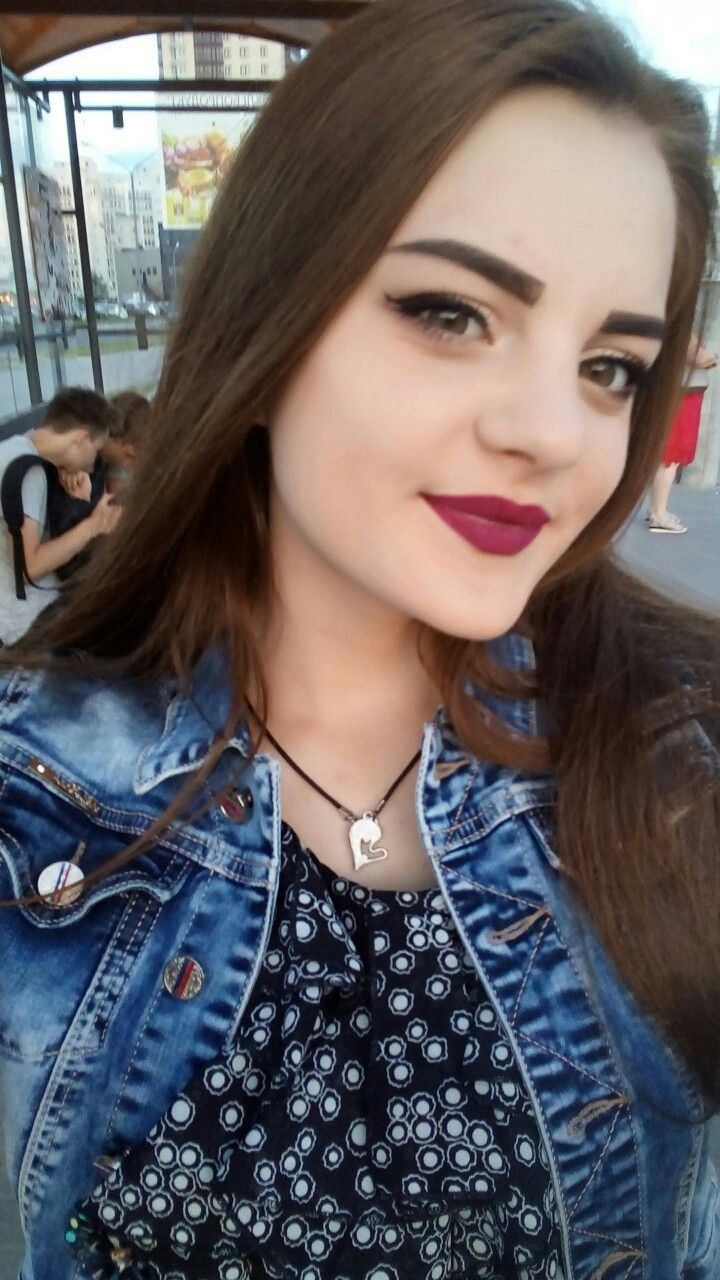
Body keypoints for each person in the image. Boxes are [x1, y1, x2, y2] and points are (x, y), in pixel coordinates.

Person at [0, 2, 719, 1278]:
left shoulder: (679, 743)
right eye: (451, 312)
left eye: (610, 365)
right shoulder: (34, 788)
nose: (554, 432)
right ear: (264, 327)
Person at [0, 385, 121, 644]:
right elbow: (28, 568)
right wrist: (94, 524)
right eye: (96, 450)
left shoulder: (14, 452)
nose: (93, 464)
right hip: (25, 628)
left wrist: (76, 500)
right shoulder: (27, 470)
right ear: (79, 439)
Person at [46, 389, 149, 579]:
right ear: (111, 437)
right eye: (129, 456)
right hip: (77, 563)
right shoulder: (79, 466)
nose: (129, 464)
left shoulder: (101, 463)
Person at [646, 331, 718, 532]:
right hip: (682, 397)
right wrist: (713, 356)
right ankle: (659, 514)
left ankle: (656, 509)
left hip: (680, 395)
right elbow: (701, 359)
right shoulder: (682, 332)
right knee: (671, 457)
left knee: (667, 458)